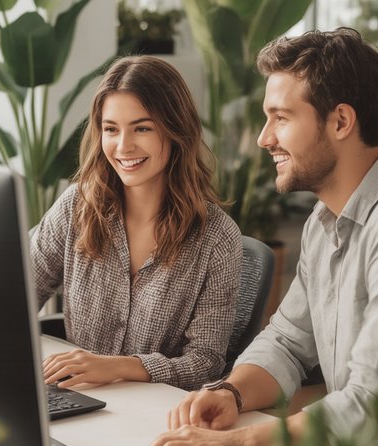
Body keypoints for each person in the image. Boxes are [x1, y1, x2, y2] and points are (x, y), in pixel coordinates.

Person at [144, 28, 378, 446]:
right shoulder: (324, 221)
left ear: (341, 121)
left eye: (280, 118)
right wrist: (231, 392)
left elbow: (377, 407)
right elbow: (287, 341)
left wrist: (237, 445)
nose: (264, 138)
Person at [31, 56, 242, 392]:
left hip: (156, 411)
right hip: (77, 396)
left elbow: (205, 362)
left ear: (176, 130)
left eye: (142, 128)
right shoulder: (77, 206)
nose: (123, 146)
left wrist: (119, 367)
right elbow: (16, 296)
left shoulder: (216, 237)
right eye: (111, 129)